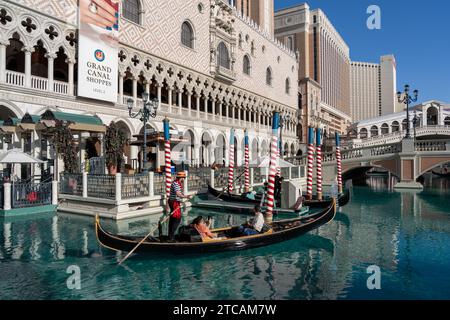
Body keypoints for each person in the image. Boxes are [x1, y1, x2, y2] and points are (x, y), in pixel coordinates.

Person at [168, 171, 191, 240]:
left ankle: (170, 235)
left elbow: (178, 195)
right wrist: (186, 196)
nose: (184, 179)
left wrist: (181, 200)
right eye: (183, 178)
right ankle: (171, 236)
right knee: (177, 219)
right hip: (174, 202)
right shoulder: (176, 184)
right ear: (180, 178)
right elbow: (178, 194)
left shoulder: (177, 183)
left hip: (175, 202)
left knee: (173, 218)